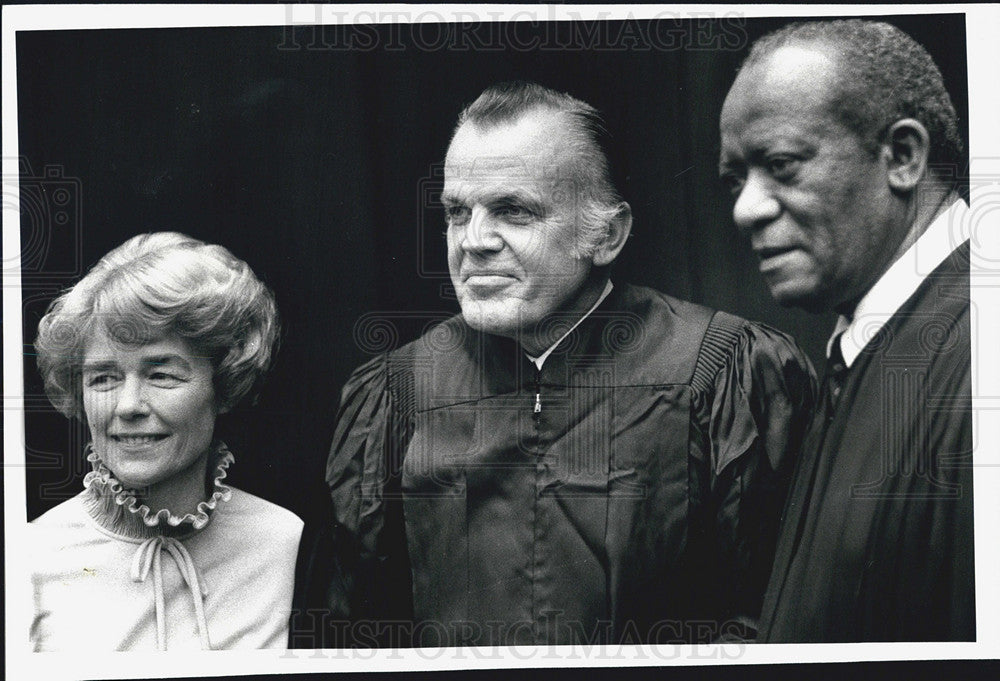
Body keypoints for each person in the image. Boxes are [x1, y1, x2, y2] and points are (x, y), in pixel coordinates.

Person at [324, 81, 816, 647]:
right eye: (457, 212)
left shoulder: (724, 372)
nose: (473, 241)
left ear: (606, 235)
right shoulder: (399, 393)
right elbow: (360, 637)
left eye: (512, 211)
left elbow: (775, 619)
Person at [718, 19, 974, 641]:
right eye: (735, 179)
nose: (744, 208)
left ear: (903, 156)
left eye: (780, 165)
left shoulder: (978, 361)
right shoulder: (862, 350)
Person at [29, 232, 303, 651]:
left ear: (224, 384)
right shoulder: (28, 559)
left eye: (161, 375)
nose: (128, 405)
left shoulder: (287, 543)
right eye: (103, 377)